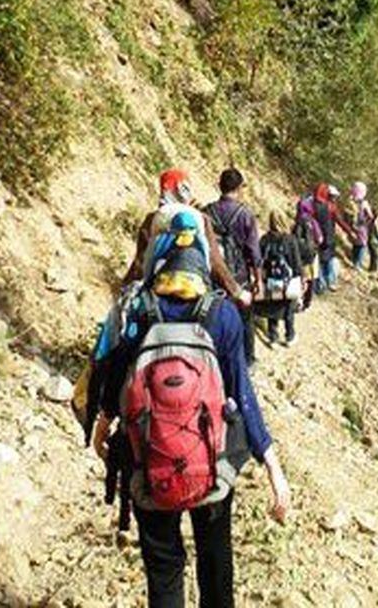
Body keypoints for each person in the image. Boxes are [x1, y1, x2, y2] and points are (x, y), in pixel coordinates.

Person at [90, 204, 291, 608]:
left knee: (164, 570)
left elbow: (113, 380)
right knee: (216, 562)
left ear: (154, 246)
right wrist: (273, 466)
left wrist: (102, 426)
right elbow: (242, 392)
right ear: (203, 248)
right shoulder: (221, 313)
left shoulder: (134, 307)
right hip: (211, 463)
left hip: (148, 462)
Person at [122, 169, 250, 308]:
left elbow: (140, 262)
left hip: (157, 296)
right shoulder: (200, 219)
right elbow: (215, 262)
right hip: (194, 298)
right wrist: (237, 292)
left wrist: (124, 288)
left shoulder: (152, 219)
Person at [205, 168, 263, 367]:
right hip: (239, 276)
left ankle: (216, 359)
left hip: (213, 275)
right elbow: (253, 250)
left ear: (220, 186)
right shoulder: (245, 213)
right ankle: (247, 360)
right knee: (245, 320)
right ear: (239, 188)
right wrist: (258, 279)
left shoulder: (206, 212)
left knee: (213, 317)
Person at [258, 212, 302, 346]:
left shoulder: (265, 239)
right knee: (288, 306)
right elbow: (296, 263)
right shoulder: (290, 240)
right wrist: (300, 278)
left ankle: (273, 337)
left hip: (271, 279)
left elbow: (260, 260)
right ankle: (290, 336)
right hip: (287, 280)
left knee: (273, 306)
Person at [309, 183, 354, 294]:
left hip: (316, 238)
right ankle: (330, 282)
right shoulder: (331, 207)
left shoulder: (312, 205)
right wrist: (350, 232)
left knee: (318, 262)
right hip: (329, 237)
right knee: (329, 260)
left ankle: (320, 286)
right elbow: (340, 221)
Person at [348, 181, 378, 273]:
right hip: (362, 227)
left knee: (355, 244)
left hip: (352, 226)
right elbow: (370, 216)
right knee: (362, 245)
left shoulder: (350, 201)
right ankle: (357, 264)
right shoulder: (364, 203)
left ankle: (353, 261)